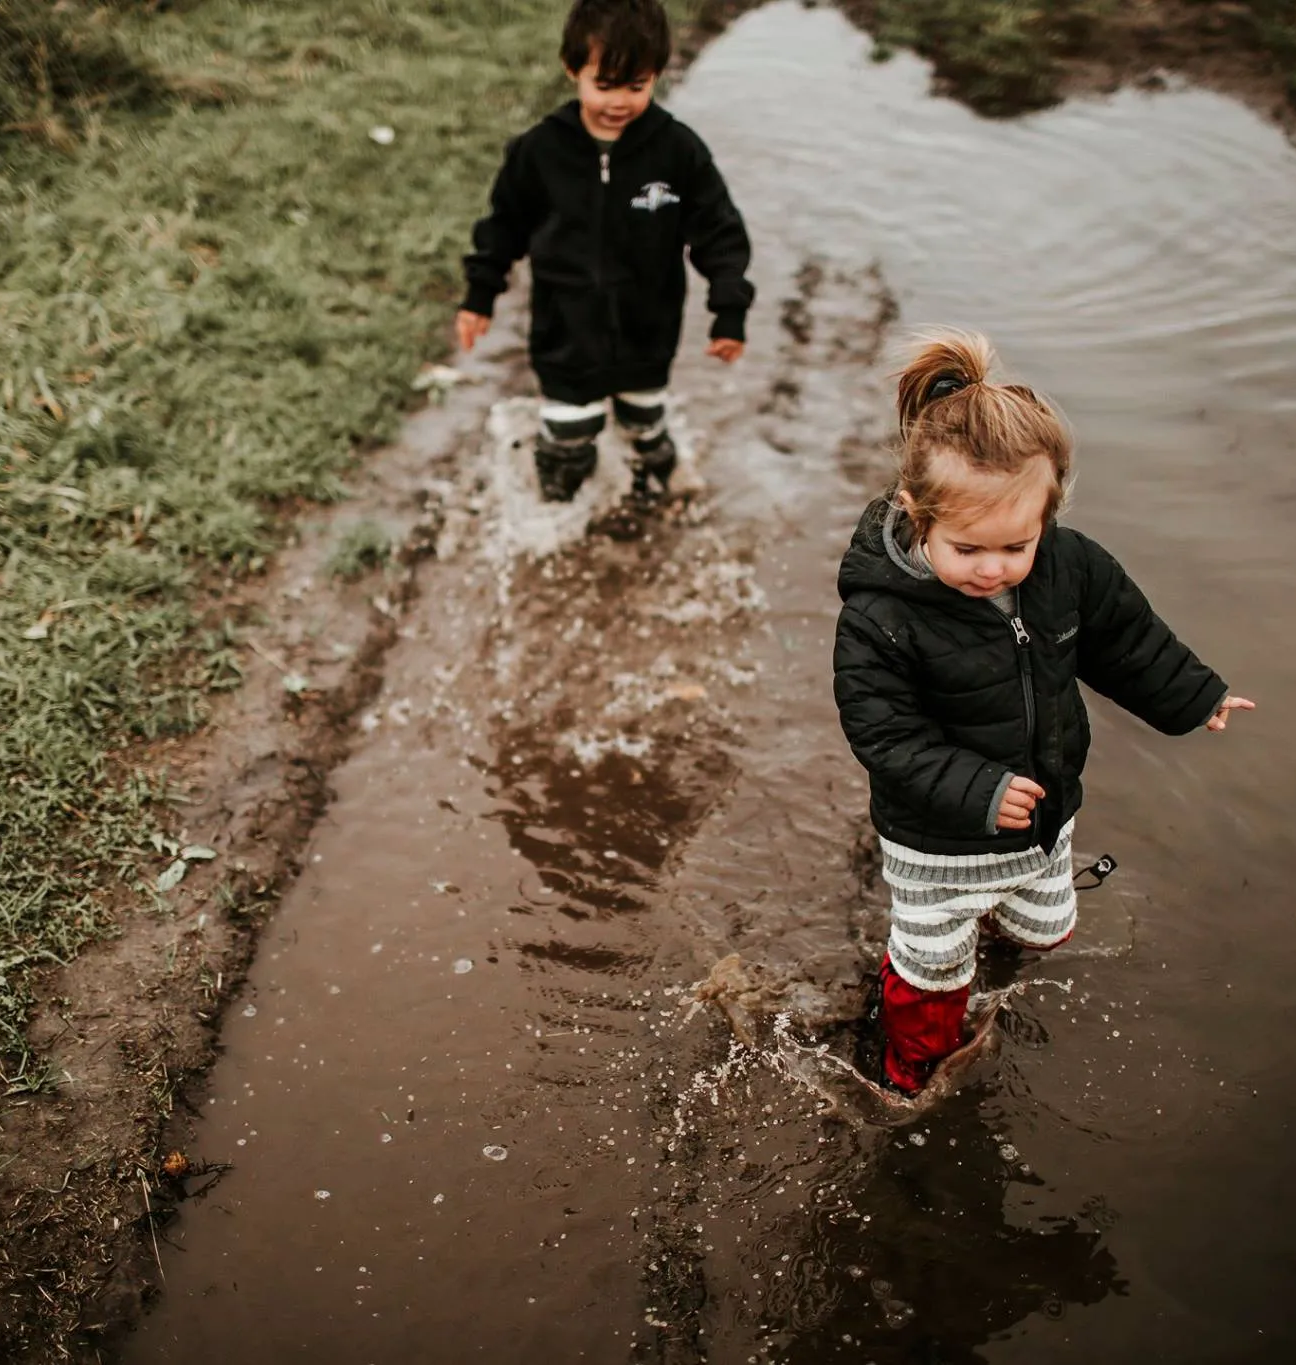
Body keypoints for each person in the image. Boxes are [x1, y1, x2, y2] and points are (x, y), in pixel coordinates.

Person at [832, 332, 1254, 1093]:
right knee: (931, 970)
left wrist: (1196, 694)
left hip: (1043, 809)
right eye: (967, 548)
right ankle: (910, 1065)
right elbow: (884, 733)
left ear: (1048, 515)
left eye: (1016, 545)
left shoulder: (1067, 567)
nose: (993, 568)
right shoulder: (880, 618)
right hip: (938, 836)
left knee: (1044, 929)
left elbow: (1126, 640)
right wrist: (980, 789)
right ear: (915, 515)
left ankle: (994, 936)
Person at [455, 0, 755, 503]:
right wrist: (479, 295)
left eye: (636, 86)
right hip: (565, 333)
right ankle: (558, 520)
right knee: (567, 446)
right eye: (605, 84)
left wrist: (729, 310)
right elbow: (503, 226)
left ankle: (661, 486)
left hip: (648, 331)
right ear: (573, 69)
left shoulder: (678, 151)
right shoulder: (540, 151)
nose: (619, 100)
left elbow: (719, 231)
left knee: (645, 427)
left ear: (657, 74)